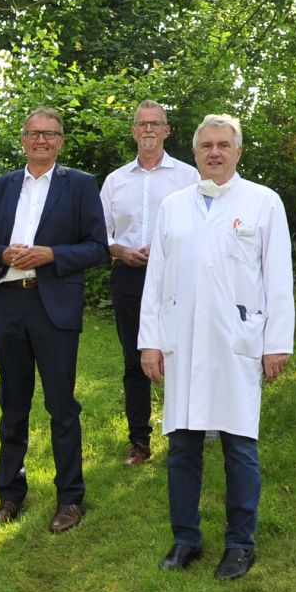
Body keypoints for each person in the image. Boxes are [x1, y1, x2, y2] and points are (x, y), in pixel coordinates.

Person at [139, 114, 294, 580]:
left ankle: (239, 543)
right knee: (182, 445)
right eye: (206, 145)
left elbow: (278, 279)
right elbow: (156, 279)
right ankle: (186, 538)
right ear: (195, 151)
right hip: (181, 343)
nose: (215, 152)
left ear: (238, 151)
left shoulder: (263, 203)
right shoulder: (174, 205)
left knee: (239, 446)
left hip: (237, 342)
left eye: (224, 144)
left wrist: (276, 344)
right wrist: (150, 342)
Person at [0, 107, 108, 533]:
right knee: (12, 406)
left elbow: (99, 248)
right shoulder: (1, 186)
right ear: (24, 139)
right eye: (34, 133)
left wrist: (52, 255)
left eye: (50, 134)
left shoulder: (81, 186)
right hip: (10, 303)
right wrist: (4, 255)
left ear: (61, 141)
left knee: (62, 406)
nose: (42, 140)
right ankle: (10, 495)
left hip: (53, 307)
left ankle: (70, 499)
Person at [100, 100, 199, 466]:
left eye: (155, 124)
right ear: (133, 131)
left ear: (167, 131)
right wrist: (121, 252)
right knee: (135, 358)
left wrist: (164, 249)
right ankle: (139, 442)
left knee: (179, 351)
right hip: (128, 275)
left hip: (177, 275)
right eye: (141, 124)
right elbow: (99, 235)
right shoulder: (115, 181)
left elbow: (203, 228)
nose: (148, 130)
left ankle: (184, 435)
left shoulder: (188, 177)